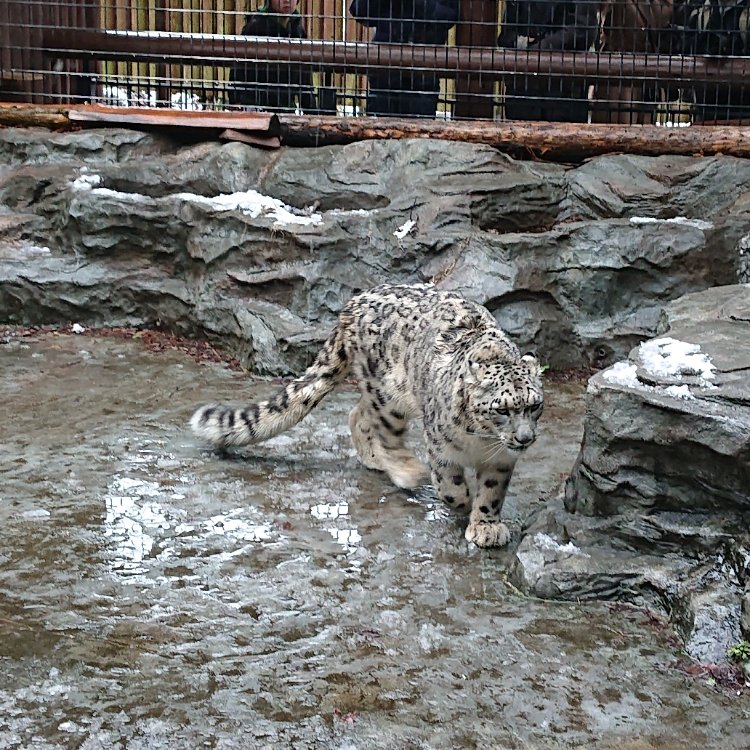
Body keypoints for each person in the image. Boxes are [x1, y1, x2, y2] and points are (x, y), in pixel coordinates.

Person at [349, 0, 460, 118]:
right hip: (385, 75)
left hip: (422, 77)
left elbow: (448, 18)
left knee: (419, 132)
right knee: (379, 129)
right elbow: (358, 11)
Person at [498, 0, 599, 122]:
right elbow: (506, 36)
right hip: (524, 89)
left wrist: (534, 47)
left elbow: (583, 31)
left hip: (563, 88)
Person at [229, 0, 317, 112]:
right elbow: (238, 69)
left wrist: (312, 112)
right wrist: (236, 100)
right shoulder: (254, 27)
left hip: (285, 110)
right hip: (256, 109)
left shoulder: (298, 31)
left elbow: (305, 79)